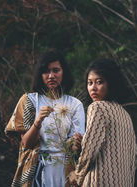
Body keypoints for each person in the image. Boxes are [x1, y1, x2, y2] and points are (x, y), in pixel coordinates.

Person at [5, 50, 85, 187]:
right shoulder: (30, 101)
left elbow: (76, 146)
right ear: (40, 74)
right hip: (37, 169)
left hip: (64, 170)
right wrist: (38, 121)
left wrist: (78, 141)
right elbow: (27, 144)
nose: (51, 76)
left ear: (63, 72)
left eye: (56, 70)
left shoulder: (75, 104)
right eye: (46, 71)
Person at [69, 58, 137, 187]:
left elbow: (90, 152)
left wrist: (77, 176)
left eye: (99, 82)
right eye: (90, 83)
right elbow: (133, 158)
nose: (93, 88)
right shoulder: (125, 114)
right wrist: (84, 141)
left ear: (110, 83)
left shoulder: (97, 108)